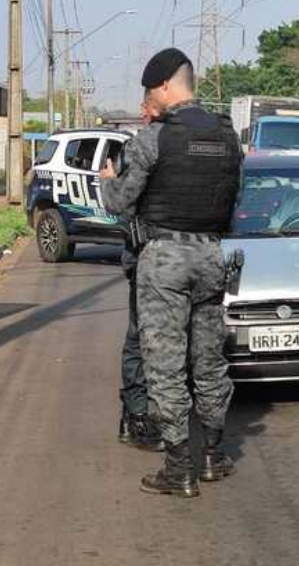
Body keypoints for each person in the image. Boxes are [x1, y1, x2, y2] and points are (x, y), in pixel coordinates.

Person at [99, 48, 242, 498]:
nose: (149, 101)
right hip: (213, 255)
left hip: (164, 258)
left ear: (164, 87)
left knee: (164, 362)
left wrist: (106, 178)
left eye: (149, 93)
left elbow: (118, 202)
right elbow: (234, 198)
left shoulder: (152, 139)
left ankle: (179, 467)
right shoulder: (227, 135)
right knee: (209, 358)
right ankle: (214, 456)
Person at [117, 92, 164, 452]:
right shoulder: (138, 149)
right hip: (143, 256)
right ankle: (135, 415)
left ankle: (152, 414)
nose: (141, 114)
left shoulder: (172, 148)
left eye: (145, 109)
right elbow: (122, 205)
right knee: (139, 338)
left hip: (168, 258)